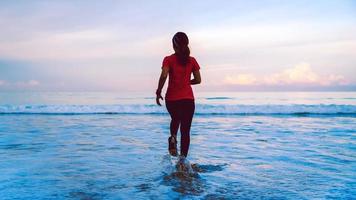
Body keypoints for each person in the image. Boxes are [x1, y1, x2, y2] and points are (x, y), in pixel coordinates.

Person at [155, 32, 201, 158]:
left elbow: (164, 75)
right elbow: (198, 80)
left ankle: (173, 138)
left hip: (172, 99)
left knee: (176, 118)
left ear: (173, 45)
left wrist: (158, 91)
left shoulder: (168, 59)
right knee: (186, 131)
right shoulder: (192, 61)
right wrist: (187, 81)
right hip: (188, 100)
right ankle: (182, 162)